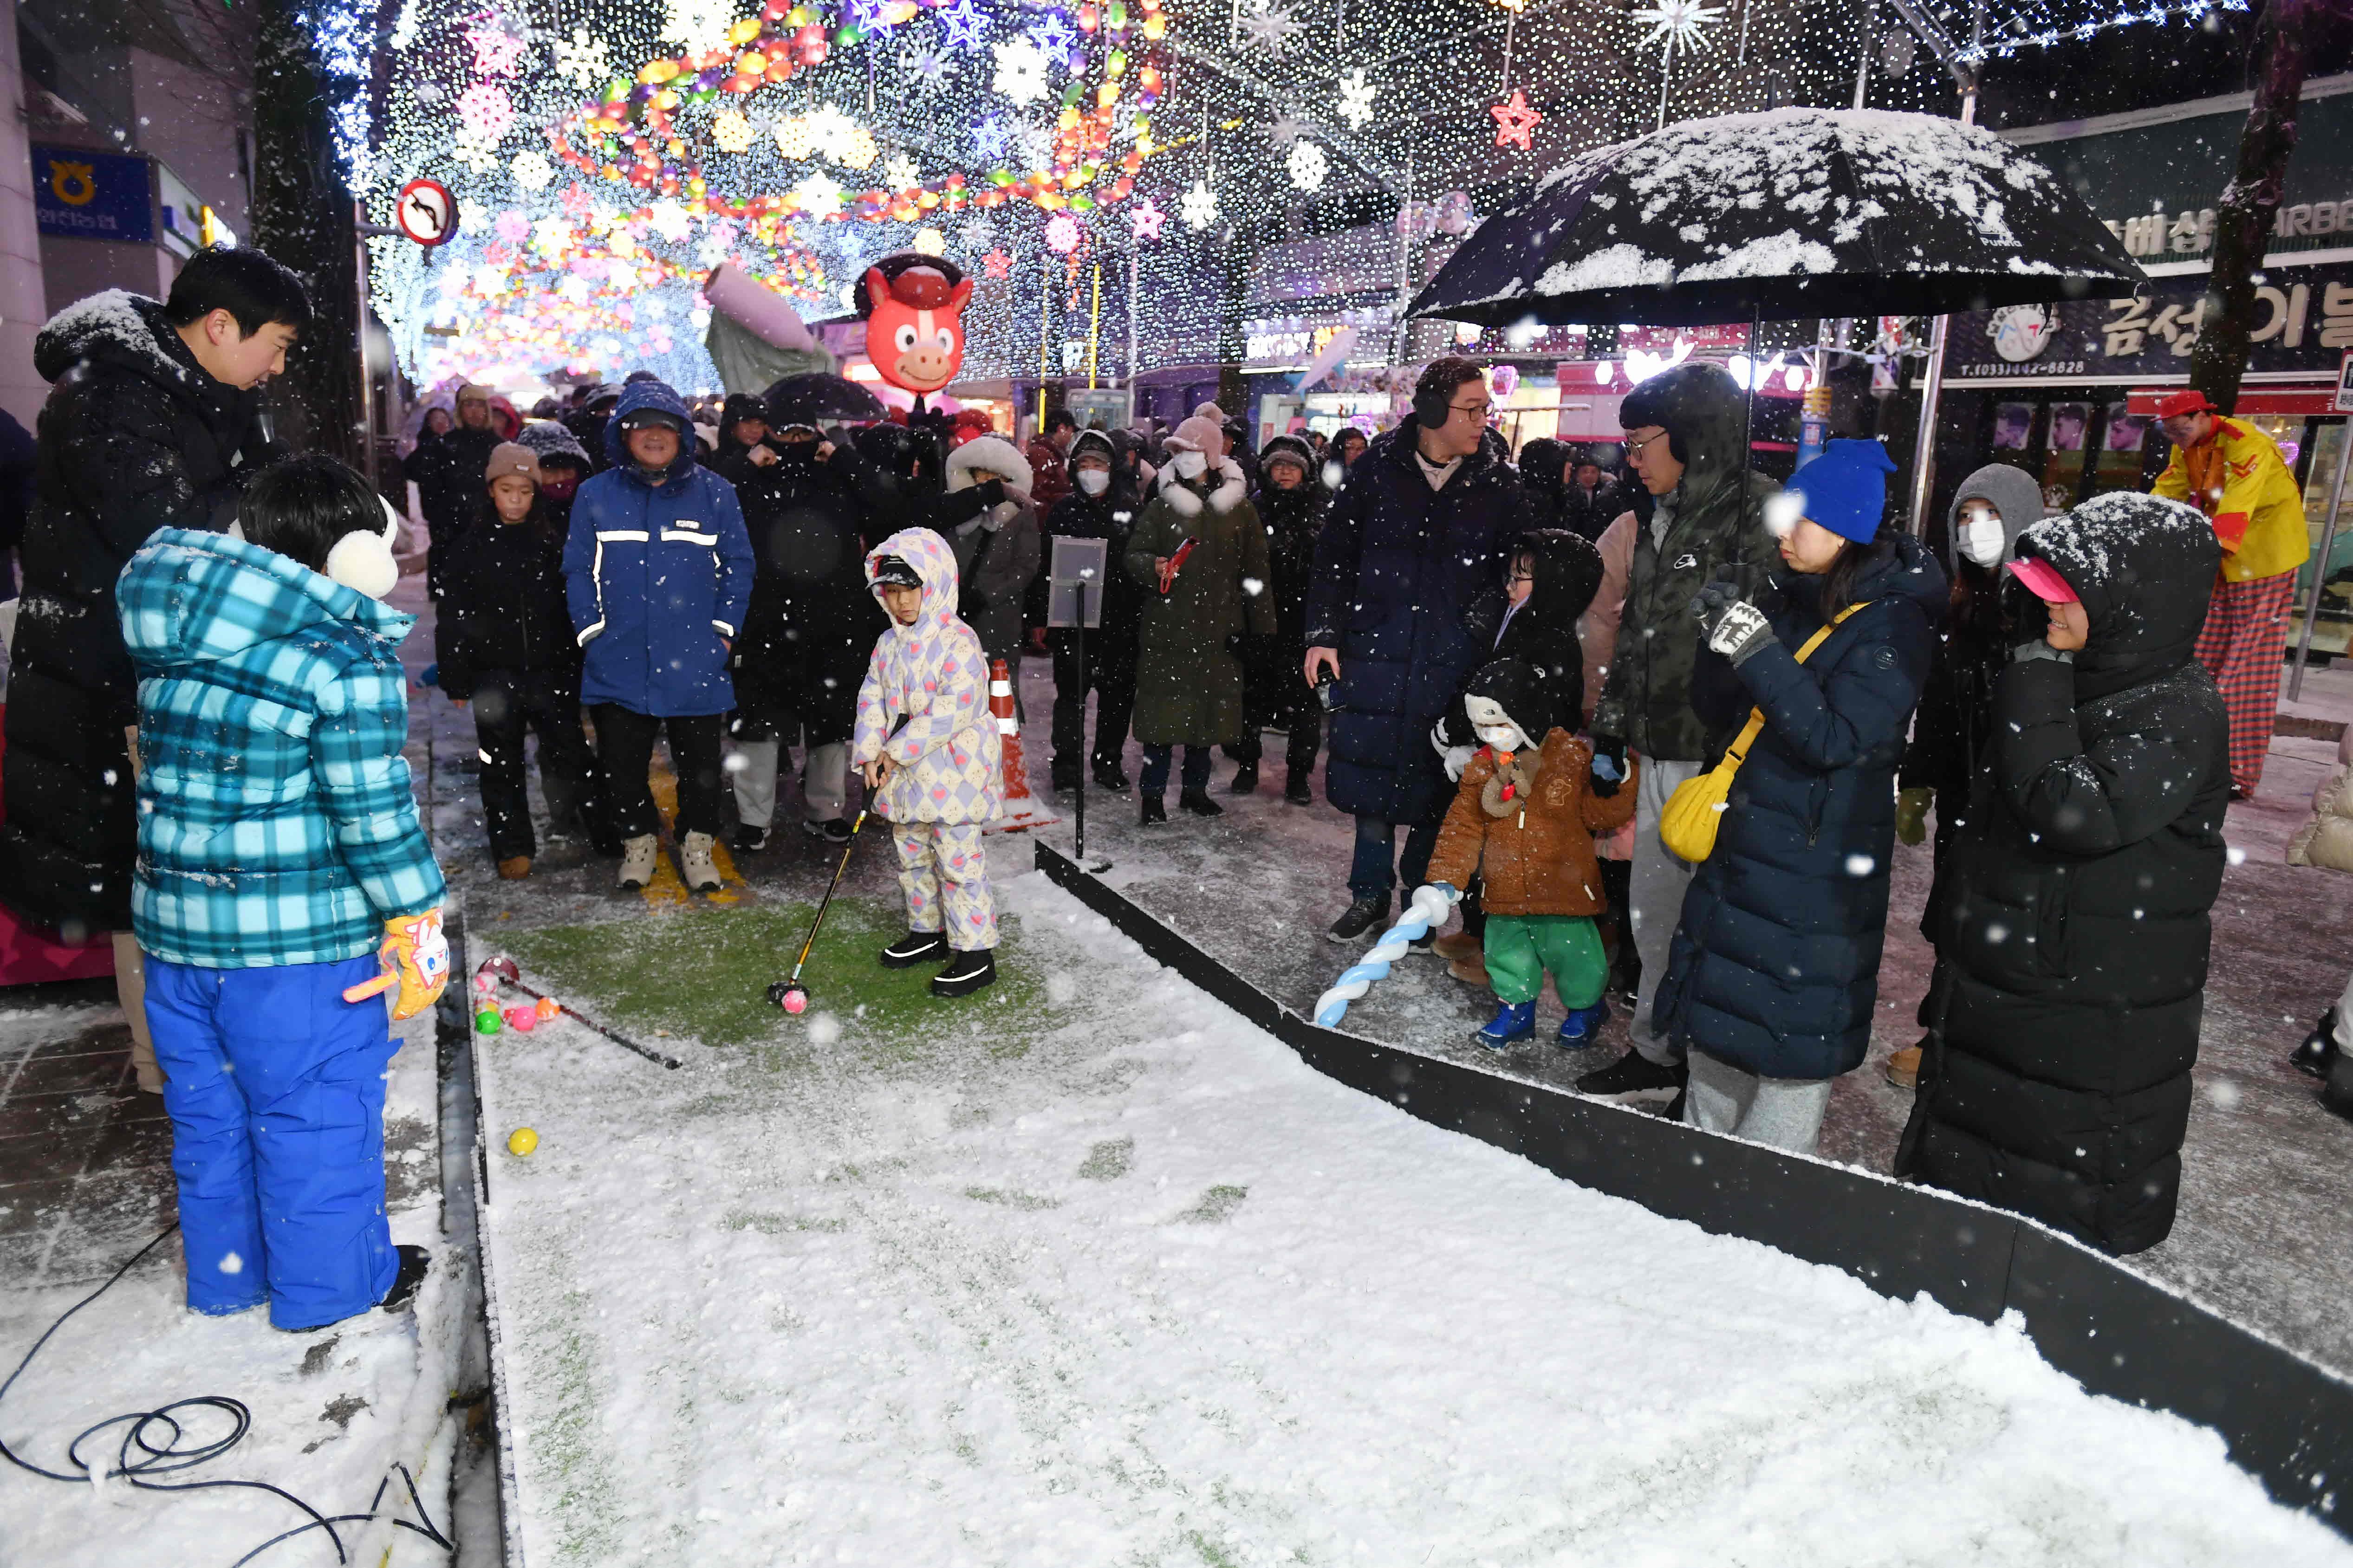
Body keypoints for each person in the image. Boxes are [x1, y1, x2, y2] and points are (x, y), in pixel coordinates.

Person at [118, 454, 448, 1330]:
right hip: (297, 950)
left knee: (211, 1120)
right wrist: (419, 917)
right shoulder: (341, 658)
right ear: (352, 557)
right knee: (314, 1120)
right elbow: (372, 810)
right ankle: (330, 1291)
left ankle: (231, 1276)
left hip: (177, 939)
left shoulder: (175, 639)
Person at [1, 251, 307, 1095]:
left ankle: (199, 1060)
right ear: (218, 327)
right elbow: (174, 541)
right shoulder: (115, 403)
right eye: (274, 344)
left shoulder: (209, 395)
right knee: (154, 884)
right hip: (118, 689)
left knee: (178, 875)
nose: (277, 366)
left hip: (168, 679)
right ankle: (172, 1070)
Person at [1897, 491, 2229, 1255]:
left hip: (2089, 1005)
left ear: (2134, 605)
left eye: (2066, 594)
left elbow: (2070, 809)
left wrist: (2038, 678)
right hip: (2022, 986)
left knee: (2060, 1191)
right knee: (1984, 1161)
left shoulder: (2174, 709)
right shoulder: (2086, 678)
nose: (2047, 610)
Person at [1659, 440, 1943, 1152]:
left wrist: (1756, 649)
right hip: (1748, 851)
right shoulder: (1793, 595)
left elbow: (1835, 738)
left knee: (1783, 1060)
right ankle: (1692, 1190)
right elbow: (1721, 709)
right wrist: (1717, 633)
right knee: (1717, 1038)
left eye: (1800, 522)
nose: (1783, 533)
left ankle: (1760, 1212)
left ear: (1847, 530)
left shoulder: (1892, 627)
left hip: (1814, 878)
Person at [1578, 361, 1783, 1105]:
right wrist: (1609, 727)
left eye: (1642, 442)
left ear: (1694, 438)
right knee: (1655, 914)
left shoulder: (1760, 518)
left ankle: (1712, 1073)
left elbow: (1777, 649)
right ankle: (1656, 1051)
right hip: (1659, 747)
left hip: (1725, 761)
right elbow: (1637, 632)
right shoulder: (1656, 520)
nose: (1631, 459)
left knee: (1718, 924)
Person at [1305, 358, 1534, 942]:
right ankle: (1368, 895)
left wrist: (1492, 614)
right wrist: (1323, 634)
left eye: (1486, 408)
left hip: (1454, 660)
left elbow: (1518, 569)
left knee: (1439, 786)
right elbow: (1333, 558)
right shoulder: (1376, 471)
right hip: (1376, 652)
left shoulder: (1500, 484)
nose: (1485, 418)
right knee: (1371, 785)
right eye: (1472, 408)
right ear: (1432, 411)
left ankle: (1418, 903)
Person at [1885, 462, 2043, 1089]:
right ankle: (1945, 1033)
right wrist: (1920, 777)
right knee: (1955, 918)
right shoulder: (1961, 603)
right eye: (1966, 517)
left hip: (2017, 800)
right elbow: (1942, 703)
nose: (1976, 531)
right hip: (1964, 797)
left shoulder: (2041, 606)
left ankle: (1973, 1044)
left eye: (1992, 516)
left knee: (1999, 925)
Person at [563, 379, 754, 893]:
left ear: (683, 435)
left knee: (702, 770)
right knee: (621, 768)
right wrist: (591, 631)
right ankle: (638, 841)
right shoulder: (594, 495)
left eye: (665, 426)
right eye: (641, 426)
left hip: (696, 657)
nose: (654, 436)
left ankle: (697, 845)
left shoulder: (717, 494)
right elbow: (577, 569)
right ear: (622, 436)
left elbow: (738, 566)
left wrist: (723, 632)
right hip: (617, 658)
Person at [1424, 656, 1635, 1050]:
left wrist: (1619, 781)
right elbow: (1462, 827)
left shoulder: (1569, 758)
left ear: (1526, 715)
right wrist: (1447, 875)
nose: (1490, 736)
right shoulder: (1483, 769)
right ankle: (1516, 1011)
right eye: (1481, 728)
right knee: (1508, 955)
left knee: (1576, 959)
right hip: (1503, 889)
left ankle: (1586, 1007)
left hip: (1563, 891)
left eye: (1498, 724)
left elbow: (1602, 812)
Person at [1429, 529, 1605, 983]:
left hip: (1524, 768)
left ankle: (1504, 959)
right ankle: (1476, 930)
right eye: (1510, 575)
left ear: (1555, 585)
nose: (1510, 586)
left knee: (1509, 864)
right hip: (1496, 758)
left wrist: (1492, 747)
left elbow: (1530, 710)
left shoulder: (1551, 642)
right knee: (1485, 850)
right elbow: (1483, 683)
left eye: (1523, 578)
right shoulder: (1516, 624)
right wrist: (1459, 730)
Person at [713, 382, 884, 850]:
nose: (794, 444)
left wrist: (844, 458)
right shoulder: (749, 474)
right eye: (784, 433)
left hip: (831, 622)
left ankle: (827, 810)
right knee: (759, 726)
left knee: (830, 725)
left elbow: (883, 498)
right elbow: (710, 498)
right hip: (764, 621)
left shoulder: (838, 474)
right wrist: (748, 463)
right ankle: (754, 819)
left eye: (803, 434)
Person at [435, 442, 606, 878]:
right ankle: (512, 846)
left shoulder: (552, 541)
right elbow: (454, 615)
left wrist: (580, 657)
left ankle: (606, 829)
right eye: (507, 489)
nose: (516, 499)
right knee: (500, 763)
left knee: (571, 753)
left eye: (525, 491)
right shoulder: (470, 547)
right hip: (494, 675)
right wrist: (457, 677)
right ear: (492, 490)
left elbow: (573, 602)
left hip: (551, 670)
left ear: (536, 493)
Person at [852, 530, 1002, 998]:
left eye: (908, 590)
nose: (900, 603)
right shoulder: (886, 644)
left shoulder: (960, 641)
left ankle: (976, 952)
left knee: (959, 862)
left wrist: (894, 751)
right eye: (890, 593)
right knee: (912, 856)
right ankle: (927, 932)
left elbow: (954, 709)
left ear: (933, 584)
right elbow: (872, 695)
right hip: (905, 779)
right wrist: (869, 751)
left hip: (955, 775)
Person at [2150, 389, 2310, 798]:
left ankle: (2234, 771)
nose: (2176, 437)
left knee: (2247, 664)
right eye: (2169, 432)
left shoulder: (2246, 442)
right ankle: (2196, 758)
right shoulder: (2184, 448)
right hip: (2222, 561)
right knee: (2206, 656)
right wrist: (2137, 528)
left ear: (2205, 415)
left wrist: (2206, 550)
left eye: (2182, 428)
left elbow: (2238, 502)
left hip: (2266, 557)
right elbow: (2167, 491)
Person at [1125, 414, 1272, 823]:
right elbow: (1133, 555)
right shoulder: (1161, 505)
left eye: (1191, 451)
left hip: (1220, 633)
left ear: (1210, 455)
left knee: (1206, 720)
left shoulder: (1238, 511)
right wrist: (1151, 567)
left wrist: (1261, 630)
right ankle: (1152, 797)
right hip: (1167, 629)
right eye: (1177, 452)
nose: (1184, 459)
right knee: (1160, 722)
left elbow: (1257, 573)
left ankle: (1195, 791)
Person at [1228, 433, 1326, 802]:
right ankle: (1246, 766)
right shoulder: (1251, 507)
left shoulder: (1321, 511)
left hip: (1303, 624)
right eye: (1278, 466)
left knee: (1305, 706)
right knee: (1250, 700)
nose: (1285, 473)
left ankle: (1299, 776)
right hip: (1257, 619)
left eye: (1292, 467)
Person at [1042, 429, 1142, 793]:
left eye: (1098, 463)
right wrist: (1044, 616)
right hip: (1073, 619)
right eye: (1083, 463)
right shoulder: (1064, 510)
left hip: (1119, 621)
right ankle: (1067, 766)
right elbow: (1046, 566)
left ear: (1111, 468)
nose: (1090, 470)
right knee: (1071, 698)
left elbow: (1140, 564)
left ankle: (1108, 763)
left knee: (1116, 700)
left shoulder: (1131, 510)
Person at [942, 435, 1042, 682]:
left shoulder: (1021, 514)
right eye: (982, 474)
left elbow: (1026, 566)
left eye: (995, 477)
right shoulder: (953, 508)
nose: (987, 482)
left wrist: (987, 595)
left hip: (997, 616)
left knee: (995, 685)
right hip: (951, 613)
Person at [410, 383, 504, 598]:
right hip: (450, 532)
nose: (474, 411)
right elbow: (430, 487)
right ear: (460, 410)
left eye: (479, 405)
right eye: (468, 405)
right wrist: (439, 521)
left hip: (488, 531)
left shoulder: (498, 447)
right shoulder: (443, 446)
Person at [1560, 448, 1629, 542]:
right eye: (1584, 471)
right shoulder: (1569, 493)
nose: (1589, 476)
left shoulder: (1607, 494)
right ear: (1577, 474)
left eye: (1594, 472)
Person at [1027, 407, 1077, 512]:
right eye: (1071, 432)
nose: (1071, 437)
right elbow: (1039, 497)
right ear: (1062, 428)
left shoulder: (1051, 453)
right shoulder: (1041, 454)